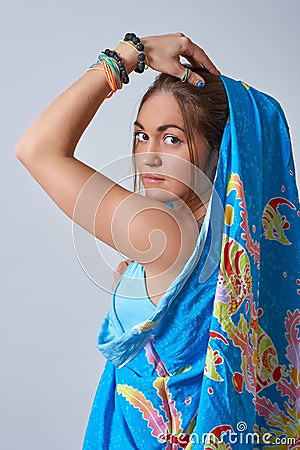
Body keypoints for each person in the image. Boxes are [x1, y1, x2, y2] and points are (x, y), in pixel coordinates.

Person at [15, 33, 300, 449]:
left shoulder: (162, 233)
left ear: (218, 152)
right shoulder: (238, 246)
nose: (148, 154)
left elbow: (36, 148)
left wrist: (132, 53)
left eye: (172, 138)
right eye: (140, 135)